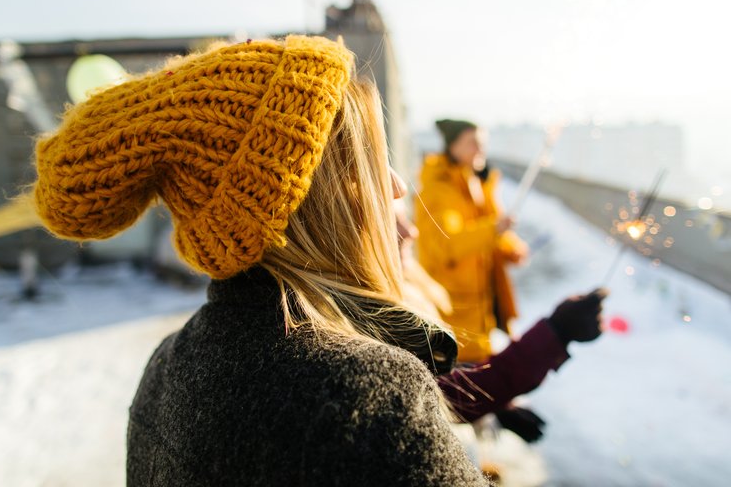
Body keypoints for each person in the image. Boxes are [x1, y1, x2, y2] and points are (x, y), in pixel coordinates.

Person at [32, 36, 489, 486]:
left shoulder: (166, 368)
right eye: (368, 163)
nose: (394, 187)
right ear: (312, 200)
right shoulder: (369, 394)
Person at [398, 201, 606, 442]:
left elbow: (442, 381)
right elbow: (435, 397)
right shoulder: (380, 310)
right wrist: (556, 333)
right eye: (392, 218)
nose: (411, 231)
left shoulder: (412, 284)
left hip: (472, 345)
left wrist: (498, 402)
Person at [414, 119, 529, 364]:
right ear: (452, 146)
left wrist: (511, 248)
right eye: (473, 143)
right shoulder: (438, 188)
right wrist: (494, 228)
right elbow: (447, 244)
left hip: (481, 312)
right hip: (453, 314)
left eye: (483, 144)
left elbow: (488, 229)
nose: (481, 150)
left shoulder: (475, 182)